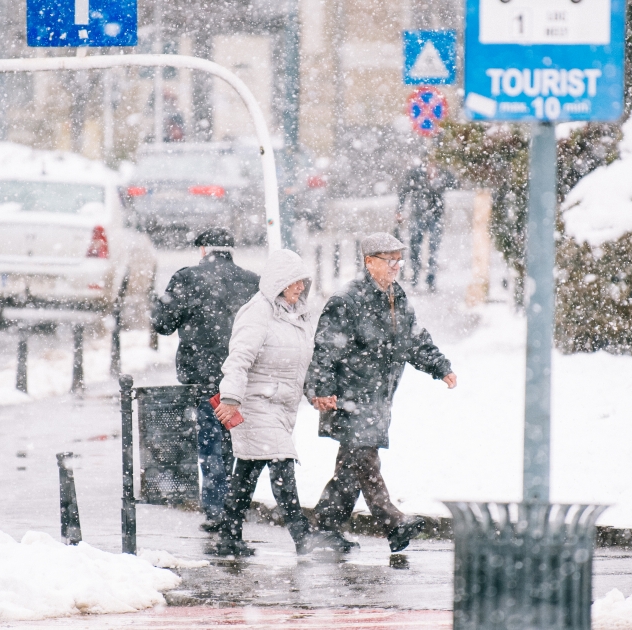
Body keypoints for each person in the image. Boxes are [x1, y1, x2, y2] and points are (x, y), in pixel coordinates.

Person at [306, 232, 457, 553]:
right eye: (390, 261)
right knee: (364, 459)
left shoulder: (396, 297)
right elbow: (324, 349)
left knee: (350, 469)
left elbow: (414, 339)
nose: (396, 267)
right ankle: (393, 522)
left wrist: (439, 366)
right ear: (369, 262)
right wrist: (321, 388)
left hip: (377, 397)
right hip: (349, 397)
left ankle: (323, 527)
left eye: (399, 260)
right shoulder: (347, 300)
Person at [213, 249, 320, 556]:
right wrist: (231, 398)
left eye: (303, 282)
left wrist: (313, 393)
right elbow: (239, 359)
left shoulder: (298, 315)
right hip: (255, 404)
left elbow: (302, 363)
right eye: (294, 282)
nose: (300, 287)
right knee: (282, 463)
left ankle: (228, 535)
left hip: (280, 407)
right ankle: (303, 538)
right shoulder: (257, 312)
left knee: (246, 471)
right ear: (278, 282)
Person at [151, 228, 259, 533]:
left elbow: (162, 324)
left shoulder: (187, 278)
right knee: (238, 443)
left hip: (204, 377)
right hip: (242, 376)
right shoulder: (253, 281)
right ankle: (235, 508)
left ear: (202, 249)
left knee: (211, 444)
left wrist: (159, 302)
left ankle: (216, 510)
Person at [397, 159, 455, 291]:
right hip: (418, 214)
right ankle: (416, 277)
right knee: (415, 246)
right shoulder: (415, 174)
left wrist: (437, 179)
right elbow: (404, 190)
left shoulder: (442, 174)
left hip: (436, 215)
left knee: (433, 247)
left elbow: (453, 183)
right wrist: (399, 209)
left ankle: (430, 279)